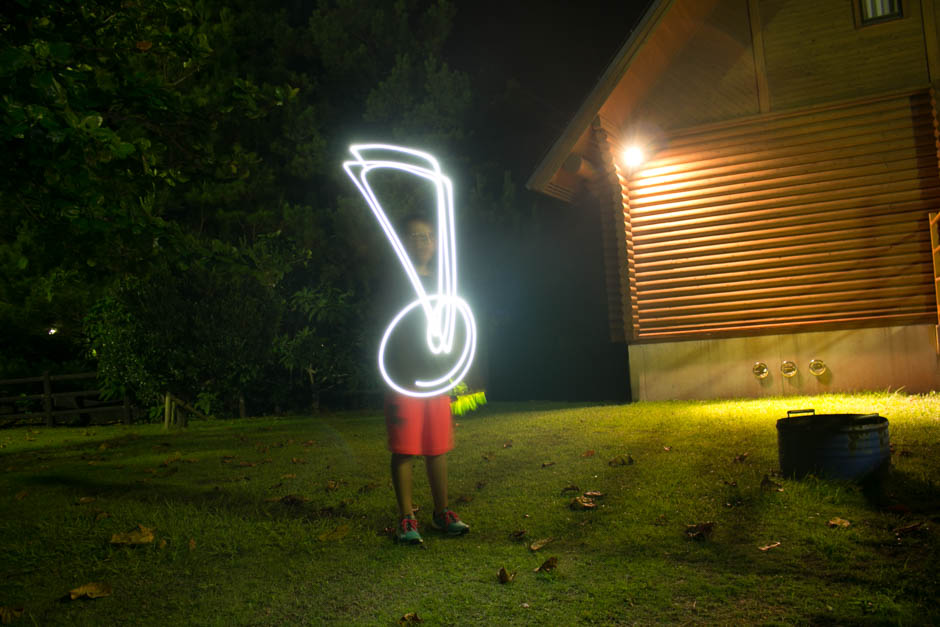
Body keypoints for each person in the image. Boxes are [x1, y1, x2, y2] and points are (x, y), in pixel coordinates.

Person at [380, 211, 470, 544]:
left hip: (437, 379)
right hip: (404, 379)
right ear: (403, 243)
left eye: (430, 237)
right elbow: (383, 330)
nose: (425, 243)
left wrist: (454, 372)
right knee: (405, 449)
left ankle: (442, 513)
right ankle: (407, 517)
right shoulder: (394, 282)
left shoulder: (444, 283)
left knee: (437, 447)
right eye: (417, 237)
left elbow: (457, 327)